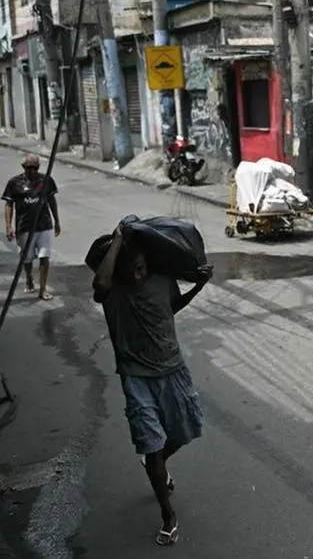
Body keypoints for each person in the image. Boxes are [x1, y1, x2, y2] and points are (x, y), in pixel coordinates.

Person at [92, 222, 214, 546]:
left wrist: (198, 287)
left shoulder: (162, 279)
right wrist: (118, 239)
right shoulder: (113, 287)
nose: (136, 277)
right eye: (130, 271)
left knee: (185, 431)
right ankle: (167, 514)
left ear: (149, 265)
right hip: (135, 376)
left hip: (172, 367)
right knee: (152, 444)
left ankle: (155, 461)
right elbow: (100, 284)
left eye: (141, 269)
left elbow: (170, 308)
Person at [3, 153, 61, 301]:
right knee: (26, 258)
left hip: (44, 225)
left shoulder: (46, 180)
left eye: (35, 168)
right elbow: (9, 204)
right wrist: (8, 226)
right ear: (23, 167)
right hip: (25, 227)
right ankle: (29, 276)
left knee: (44, 257)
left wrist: (57, 221)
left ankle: (42, 289)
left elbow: (52, 200)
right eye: (29, 168)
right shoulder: (14, 183)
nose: (32, 171)